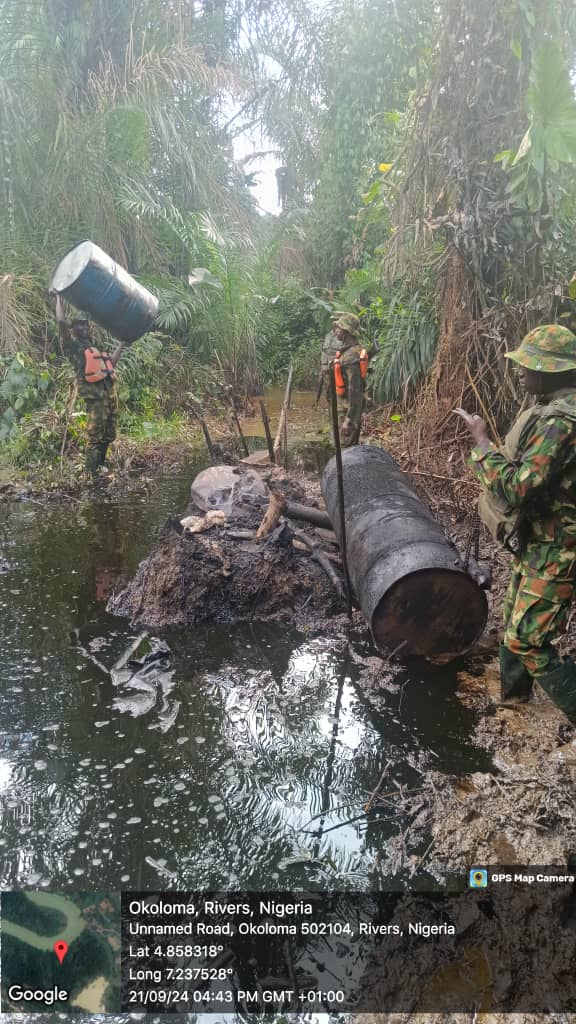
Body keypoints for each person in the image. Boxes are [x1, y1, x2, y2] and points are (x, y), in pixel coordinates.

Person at [456, 324, 576, 720]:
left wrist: (482, 446)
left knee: (528, 641)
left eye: (529, 365)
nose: (520, 371)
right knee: (513, 621)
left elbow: (519, 487)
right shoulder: (550, 410)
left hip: (561, 548)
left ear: (553, 370)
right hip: (540, 541)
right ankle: (514, 702)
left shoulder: (562, 421)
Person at [55, 295, 125, 474]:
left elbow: (111, 364)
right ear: (73, 329)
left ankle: (100, 467)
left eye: (84, 323)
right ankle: (90, 476)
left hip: (110, 395)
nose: (83, 327)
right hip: (95, 399)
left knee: (109, 435)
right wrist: (58, 297)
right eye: (78, 324)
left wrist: (122, 344)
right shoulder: (72, 346)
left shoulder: (94, 346)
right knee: (95, 438)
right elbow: (61, 322)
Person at [320, 312, 368, 447]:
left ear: (346, 331)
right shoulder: (347, 352)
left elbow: (355, 391)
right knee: (339, 448)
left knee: (345, 449)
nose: (335, 331)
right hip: (341, 407)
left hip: (346, 411)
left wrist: (350, 420)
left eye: (338, 328)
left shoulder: (352, 357)